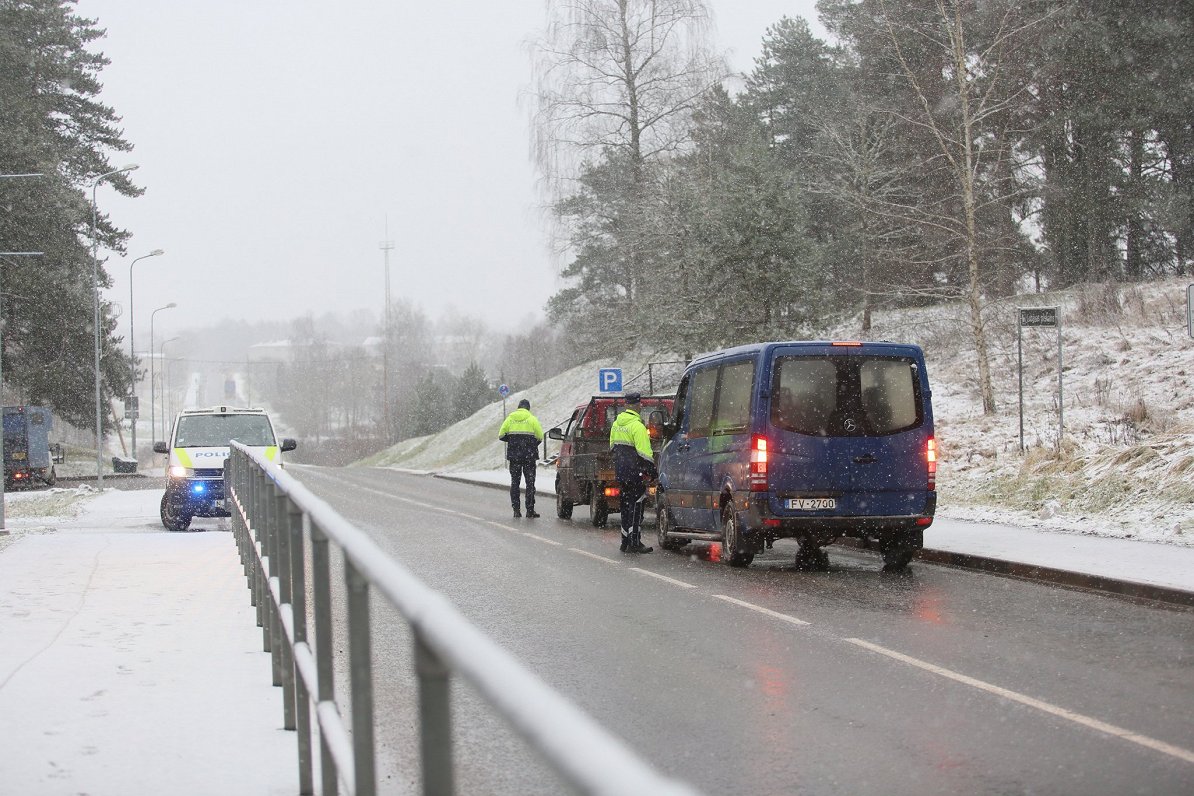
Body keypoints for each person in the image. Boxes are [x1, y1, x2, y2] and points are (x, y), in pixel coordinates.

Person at [609, 392, 655, 553]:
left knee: (625, 505)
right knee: (636, 507)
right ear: (638, 405)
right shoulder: (637, 426)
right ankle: (635, 541)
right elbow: (645, 453)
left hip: (621, 472)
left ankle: (624, 541)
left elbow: (612, 448)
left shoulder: (616, 424)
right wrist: (651, 471)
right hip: (635, 473)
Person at [498, 398, 544, 518]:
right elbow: (540, 436)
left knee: (515, 483)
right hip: (529, 457)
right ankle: (530, 510)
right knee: (530, 483)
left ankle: (516, 510)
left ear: (518, 407)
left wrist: (513, 442)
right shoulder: (532, 419)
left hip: (514, 457)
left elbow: (501, 435)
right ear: (528, 408)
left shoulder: (510, 419)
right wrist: (531, 445)